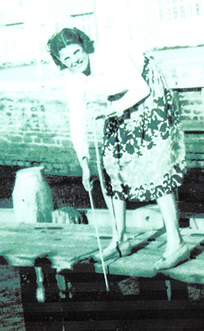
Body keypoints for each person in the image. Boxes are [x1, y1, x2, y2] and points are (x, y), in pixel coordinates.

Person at [47, 27, 189, 270]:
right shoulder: (73, 77)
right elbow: (77, 118)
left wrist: (110, 110)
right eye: (66, 58)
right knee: (111, 161)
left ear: (85, 47)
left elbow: (141, 88)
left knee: (155, 163)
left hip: (148, 89)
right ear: (60, 62)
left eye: (76, 52)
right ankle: (120, 239)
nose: (74, 60)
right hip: (121, 97)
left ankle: (177, 243)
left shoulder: (109, 54)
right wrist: (83, 163)